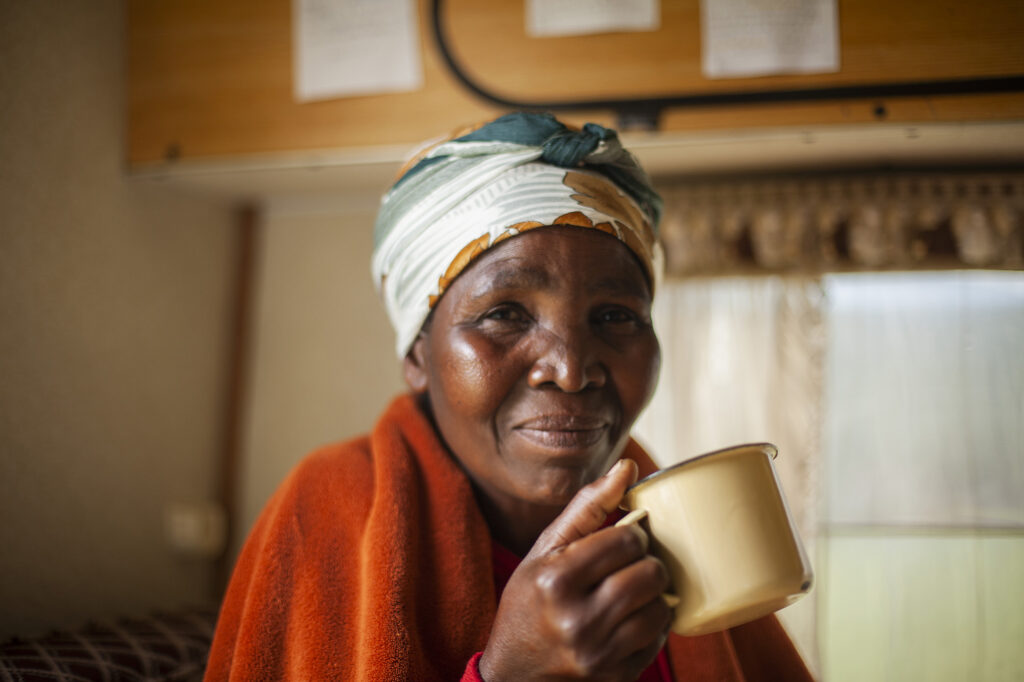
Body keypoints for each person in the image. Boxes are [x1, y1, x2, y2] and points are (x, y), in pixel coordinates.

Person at [205, 113, 813, 681]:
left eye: (615, 315)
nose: (571, 371)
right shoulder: (329, 515)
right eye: (505, 313)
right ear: (419, 355)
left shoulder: (678, 529)